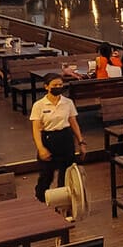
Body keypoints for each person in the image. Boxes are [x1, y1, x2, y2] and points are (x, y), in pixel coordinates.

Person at [30, 73, 85, 202]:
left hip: (65, 138)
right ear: (46, 87)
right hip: (48, 139)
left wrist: (81, 142)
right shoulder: (39, 105)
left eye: (60, 85)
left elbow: (73, 123)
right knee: (46, 175)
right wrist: (41, 148)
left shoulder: (68, 102)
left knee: (66, 174)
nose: (58, 87)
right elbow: (36, 129)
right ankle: (41, 200)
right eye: (55, 85)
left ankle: (64, 202)